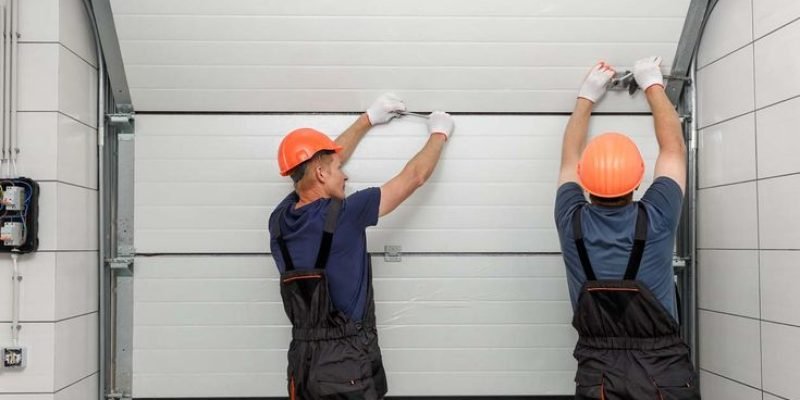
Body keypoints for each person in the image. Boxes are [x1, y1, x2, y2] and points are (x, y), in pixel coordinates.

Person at [269, 93, 454, 399]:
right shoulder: (346, 214)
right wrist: (439, 133)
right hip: (346, 365)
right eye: (337, 168)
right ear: (321, 174)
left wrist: (368, 119)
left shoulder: (279, 220)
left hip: (302, 363)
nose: (345, 174)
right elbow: (415, 177)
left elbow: (316, 165)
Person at [554, 58, 700, 399]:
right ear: (638, 180)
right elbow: (673, 148)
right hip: (665, 371)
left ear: (584, 179)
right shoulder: (658, 216)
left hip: (599, 375)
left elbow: (569, 157)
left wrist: (586, 96)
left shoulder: (569, 219)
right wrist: (652, 84)